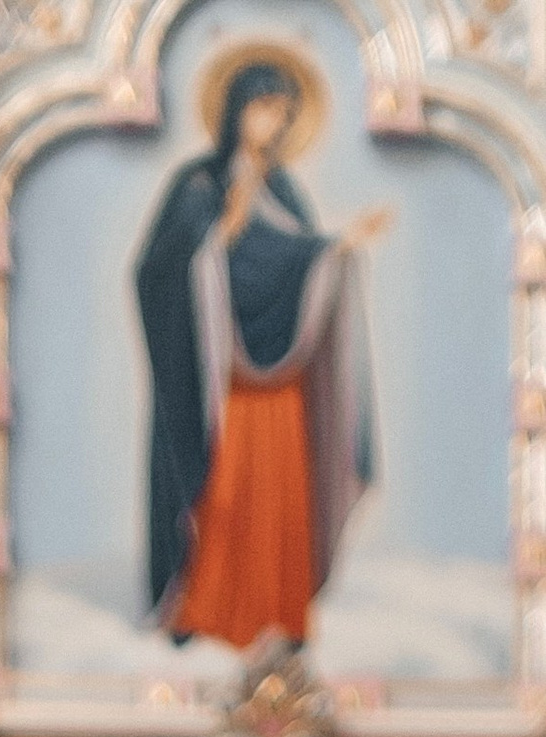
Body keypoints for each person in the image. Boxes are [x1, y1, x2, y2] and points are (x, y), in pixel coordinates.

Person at [134, 56, 384, 651]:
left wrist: (334, 253)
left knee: (279, 499)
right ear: (236, 109)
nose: (274, 123)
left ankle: (278, 612)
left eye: (285, 113)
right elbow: (157, 272)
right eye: (265, 107)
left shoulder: (284, 190)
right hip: (219, 388)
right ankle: (209, 606)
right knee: (226, 493)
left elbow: (291, 261)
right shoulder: (198, 186)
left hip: (279, 388)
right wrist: (218, 239)